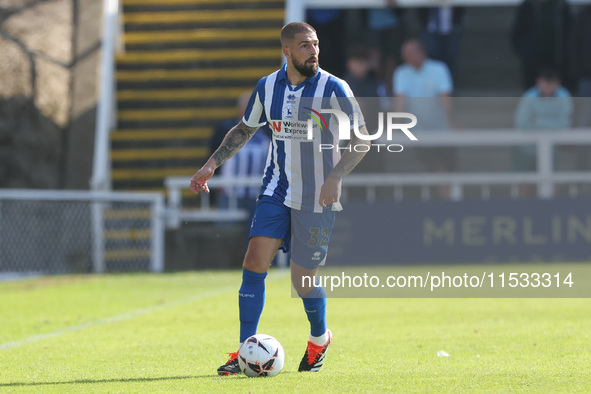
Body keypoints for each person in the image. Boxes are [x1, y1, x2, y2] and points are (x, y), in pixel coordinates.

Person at [190, 22, 369, 375]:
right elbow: (245, 128)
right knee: (255, 260)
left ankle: (319, 337)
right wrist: (211, 165)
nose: (313, 50)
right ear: (287, 51)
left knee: (303, 281)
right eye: (305, 45)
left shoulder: (335, 88)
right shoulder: (267, 86)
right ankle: (244, 352)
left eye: (316, 44)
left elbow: (362, 138)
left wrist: (335, 177)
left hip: (318, 196)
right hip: (277, 189)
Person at [393, 38, 455, 199]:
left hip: (441, 130)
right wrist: (395, 125)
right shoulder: (401, 72)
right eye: (404, 54)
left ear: (421, 53)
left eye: (409, 53)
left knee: (447, 167)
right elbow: (400, 100)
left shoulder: (439, 69)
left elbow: (445, 98)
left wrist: (450, 123)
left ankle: (444, 200)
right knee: (437, 167)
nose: (406, 57)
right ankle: (448, 201)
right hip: (417, 130)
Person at [209, 92, 271, 234]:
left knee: (256, 234)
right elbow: (213, 155)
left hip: (256, 192)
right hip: (229, 192)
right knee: (226, 234)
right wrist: (216, 182)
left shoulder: (267, 130)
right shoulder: (225, 129)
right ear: (240, 109)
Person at [512, 68, 573, 197]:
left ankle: (551, 210)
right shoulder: (529, 97)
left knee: (551, 179)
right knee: (524, 180)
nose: (547, 87)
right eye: (544, 83)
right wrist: (551, 125)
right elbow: (521, 123)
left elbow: (564, 124)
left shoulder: (564, 96)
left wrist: (538, 122)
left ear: (557, 84)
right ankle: (521, 210)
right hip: (526, 147)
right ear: (538, 83)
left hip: (551, 147)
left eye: (550, 84)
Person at [510, 0, 571, 90]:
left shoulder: (562, 5)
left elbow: (571, 32)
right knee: (533, 93)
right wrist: (525, 54)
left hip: (558, 60)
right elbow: (516, 33)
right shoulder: (527, 6)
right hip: (532, 62)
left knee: (558, 93)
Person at [418, 6, 466, 78]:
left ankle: (447, 85)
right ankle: (433, 83)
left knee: (450, 58)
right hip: (430, 28)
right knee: (432, 58)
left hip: (452, 27)